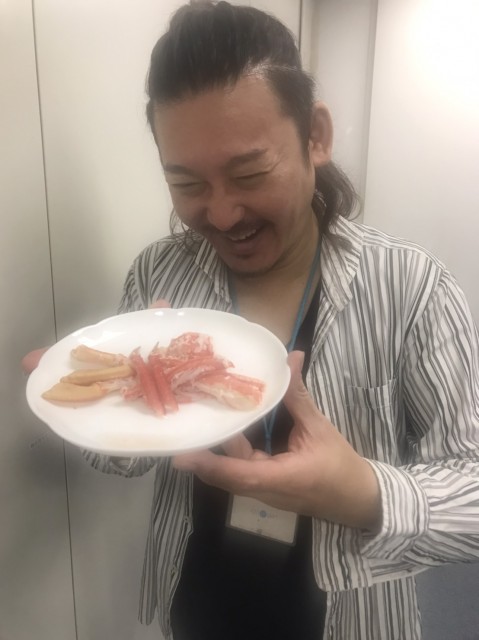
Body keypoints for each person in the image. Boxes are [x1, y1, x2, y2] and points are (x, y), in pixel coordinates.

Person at [24, 2, 479, 639]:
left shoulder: (413, 288)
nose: (221, 213)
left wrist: (362, 492)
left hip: (350, 616)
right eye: (187, 184)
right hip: (197, 601)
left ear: (315, 136)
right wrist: (104, 404)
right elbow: (126, 463)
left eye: (249, 173)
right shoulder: (160, 273)